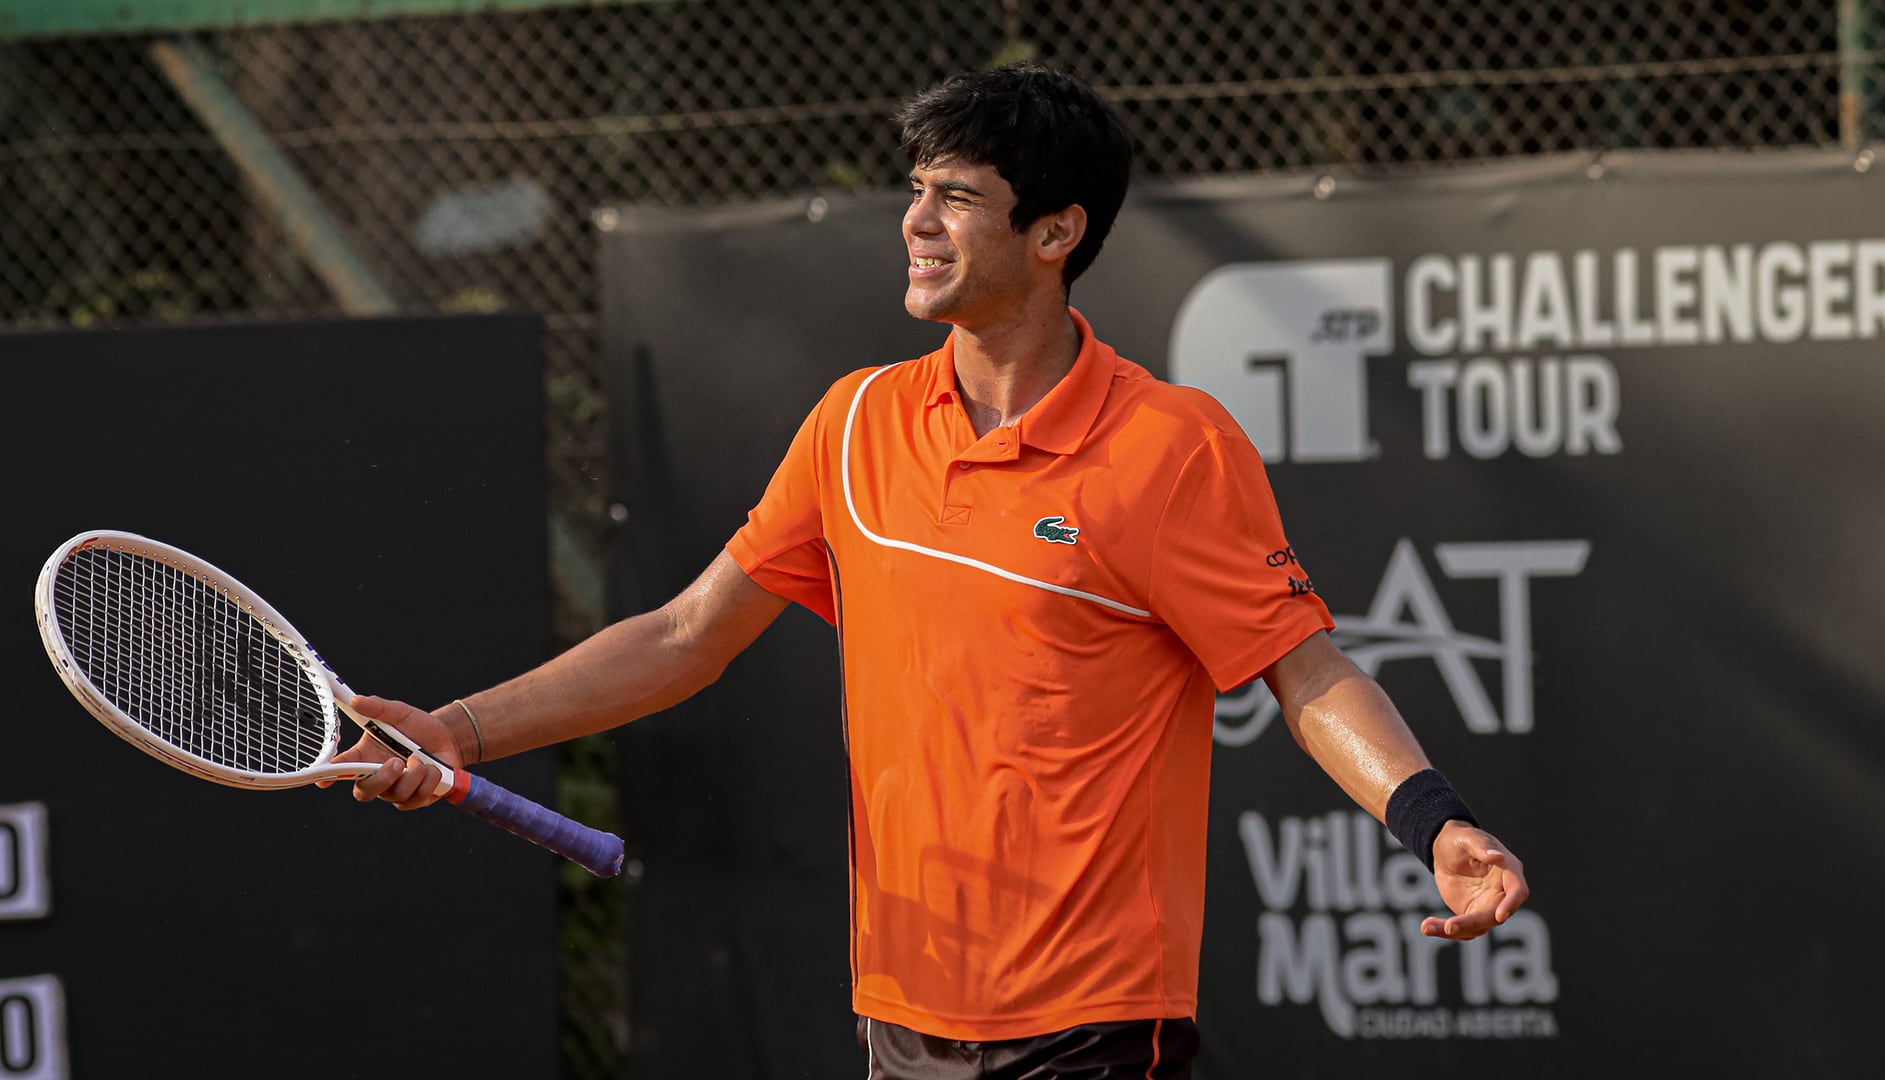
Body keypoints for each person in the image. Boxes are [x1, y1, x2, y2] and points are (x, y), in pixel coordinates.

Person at [338, 63, 1528, 1079]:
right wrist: (456, 730)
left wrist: (1437, 824)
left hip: (1095, 1026)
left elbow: (1302, 667)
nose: (915, 220)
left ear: (1055, 233)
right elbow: (686, 633)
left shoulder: (1170, 447)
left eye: (957, 197)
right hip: (903, 1021)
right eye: (917, 190)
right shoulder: (853, 424)